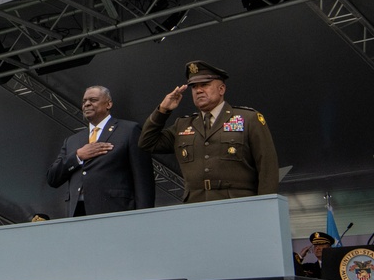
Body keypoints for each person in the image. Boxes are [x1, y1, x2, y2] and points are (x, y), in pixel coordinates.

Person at [139, 60, 278, 203]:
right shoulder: (183, 124)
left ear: (221, 89)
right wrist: (162, 110)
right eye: (194, 87)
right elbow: (147, 143)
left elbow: (267, 167)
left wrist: (265, 206)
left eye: (205, 85)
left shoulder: (248, 118)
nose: (198, 90)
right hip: (196, 206)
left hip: (238, 204)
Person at [46, 86, 155, 217]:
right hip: (78, 213)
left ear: (108, 104)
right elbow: (52, 178)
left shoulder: (129, 130)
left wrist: (145, 216)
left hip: (115, 211)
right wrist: (78, 156)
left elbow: (143, 179)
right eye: (84, 101)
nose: (87, 104)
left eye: (93, 100)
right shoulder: (72, 141)